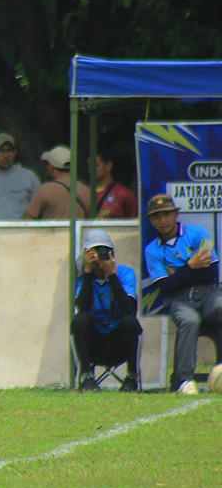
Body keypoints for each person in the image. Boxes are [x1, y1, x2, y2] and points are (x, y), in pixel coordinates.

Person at [143, 194, 222, 394]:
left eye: (167, 214)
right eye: (157, 216)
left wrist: (178, 273)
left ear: (176, 214)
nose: (163, 220)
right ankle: (184, 380)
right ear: (150, 220)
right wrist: (191, 265)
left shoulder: (198, 233)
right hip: (180, 299)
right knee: (188, 322)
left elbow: (212, 271)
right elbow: (165, 287)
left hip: (209, 293)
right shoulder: (152, 250)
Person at [73, 229, 141, 392]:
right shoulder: (81, 276)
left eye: (104, 250)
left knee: (130, 322)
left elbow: (128, 308)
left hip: (119, 342)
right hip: (94, 343)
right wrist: (88, 272)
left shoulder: (124, 273)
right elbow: (81, 307)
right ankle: (87, 377)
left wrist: (111, 274)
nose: (99, 256)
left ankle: (131, 377)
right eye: (94, 251)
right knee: (79, 320)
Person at [23, 145, 90, 219]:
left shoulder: (45, 190)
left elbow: (27, 219)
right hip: (75, 231)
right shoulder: (86, 191)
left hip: (50, 231)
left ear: (51, 167)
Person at [93, 150, 138, 219]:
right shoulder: (84, 191)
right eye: (89, 165)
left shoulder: (123, 194)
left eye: (96, 165)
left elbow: (134, 220)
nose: (91, 169)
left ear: (108, 166)